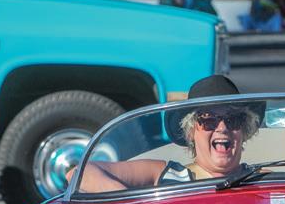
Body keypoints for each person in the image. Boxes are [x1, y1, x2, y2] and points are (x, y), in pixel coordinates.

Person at [80, 75, 262, 193]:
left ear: (243, 131)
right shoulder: (166, 174)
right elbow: (81, 174)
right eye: (209, 120)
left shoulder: (263, 180)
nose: (222, 128)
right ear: (190, 131)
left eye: (233, 119)